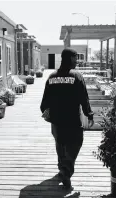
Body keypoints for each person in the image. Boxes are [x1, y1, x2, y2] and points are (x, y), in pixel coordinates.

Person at [40, 48, 94, 190]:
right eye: (76, 58)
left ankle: (62, 169)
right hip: (73, 120)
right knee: (76, 143)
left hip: (57, 121)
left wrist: (47, 113)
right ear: (70, 59)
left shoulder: (51, 77)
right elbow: (84, 98)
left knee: (60, 144)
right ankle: (66, 171)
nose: (77, 61)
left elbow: (44, 102)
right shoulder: (76, 76)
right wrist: (89, 114)